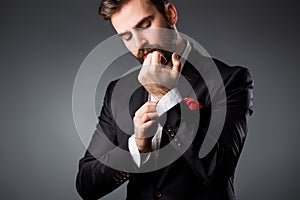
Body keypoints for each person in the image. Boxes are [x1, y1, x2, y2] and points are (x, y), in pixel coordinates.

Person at [76, 0, 254, 199]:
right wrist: (137, 149)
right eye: (127, 36)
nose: (139, 43)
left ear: (170, 14)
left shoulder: (229, 80)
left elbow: (219, 170)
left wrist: (168, 99)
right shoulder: (117, 91)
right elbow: (86, 184)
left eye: (145, 26)